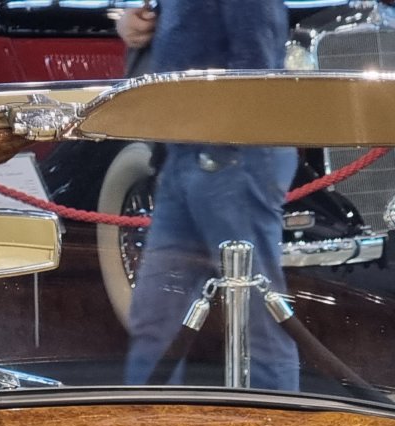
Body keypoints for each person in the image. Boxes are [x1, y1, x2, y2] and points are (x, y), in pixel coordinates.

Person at [118, 0, 300, 391]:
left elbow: (255, 68)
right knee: (155, 317)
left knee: (259, 322)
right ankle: (151, 423)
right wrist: (139, 26)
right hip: (189, 153)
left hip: (231, 156)